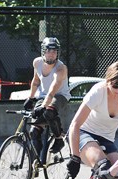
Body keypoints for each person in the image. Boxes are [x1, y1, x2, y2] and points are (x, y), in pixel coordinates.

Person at [23, 36, 71, 165]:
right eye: (49, 51)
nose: (52, 54)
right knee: (34, 131)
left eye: (54, 51)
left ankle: (59, 138)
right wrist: (31, 98)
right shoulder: (37, 63)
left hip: (59, 95)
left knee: (49, 111)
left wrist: (43, 106)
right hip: (43, 96)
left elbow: (53, 89)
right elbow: (36, 81)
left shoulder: (61, 68)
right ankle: (36, 162)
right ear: (43, 51)